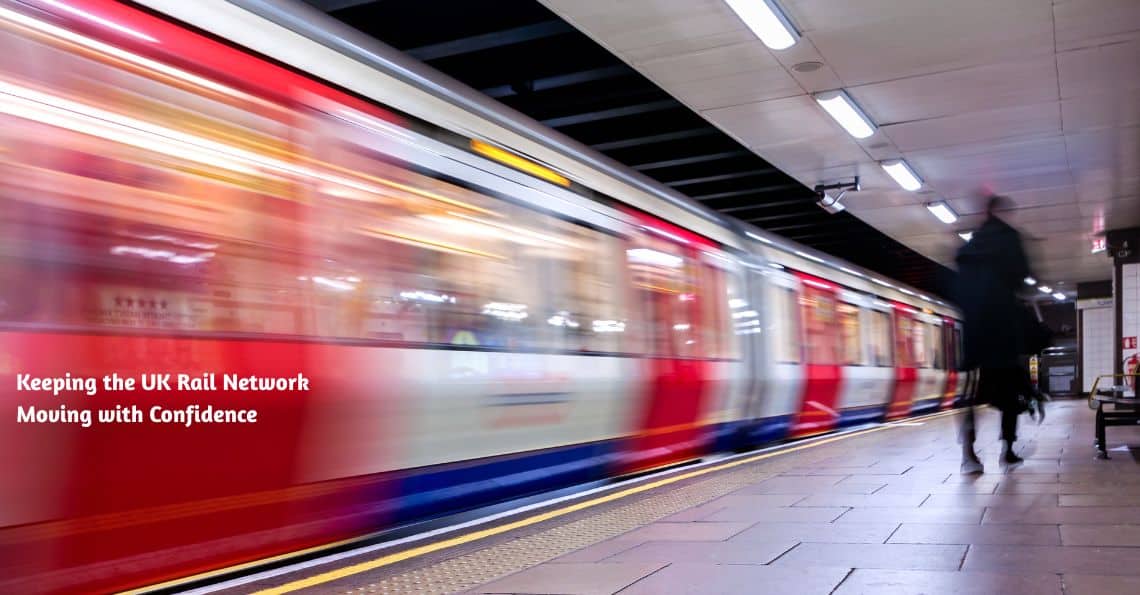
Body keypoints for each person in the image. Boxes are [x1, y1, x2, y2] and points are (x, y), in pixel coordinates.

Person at [955, 194, 1033, 473]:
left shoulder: (969, 246)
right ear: (1001, 211)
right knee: (1011, 396)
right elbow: (1023, 276)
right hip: (1002, 333)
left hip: (976, 336)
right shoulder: (1010, 239)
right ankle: (1008, 450)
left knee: (971, 396)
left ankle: (968, 454)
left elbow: (959, 287)